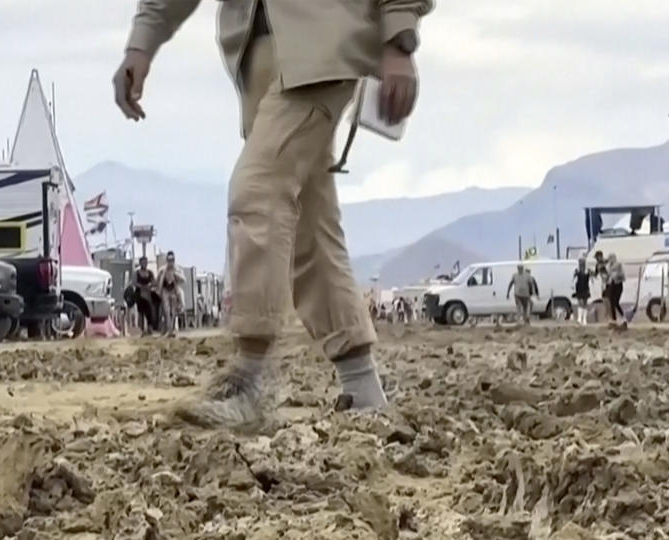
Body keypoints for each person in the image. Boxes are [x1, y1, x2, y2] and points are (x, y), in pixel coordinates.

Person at [116, 0, 433, 425]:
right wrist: (142, 43)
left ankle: (250, 380)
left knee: (257, 190)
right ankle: (364, 391)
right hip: (257, 60)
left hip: (325, 46)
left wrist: (400, 39)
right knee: (309, 225)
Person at [158, 251, 187, 336]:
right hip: (165, 290)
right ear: (167, 259)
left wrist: (176, 275)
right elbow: (158, 280)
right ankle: (168, 329)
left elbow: (184, 280)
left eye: (172, 260)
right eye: (169, 259)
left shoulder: (178, 269)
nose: (171, 261)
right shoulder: (162, 270)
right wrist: (159, 290)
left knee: (174, 311)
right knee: (166, 311)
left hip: (174, 290)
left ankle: (173, 329)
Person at [133, 257, 158, 334]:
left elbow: (155, 282)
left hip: (148, 294)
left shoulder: (150, 273)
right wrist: (142, 286)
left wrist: (150, 285)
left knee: (150, 311)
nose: (144, 264)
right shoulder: (137, 273)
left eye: (146, 262)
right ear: (140, 263)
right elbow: (134, 282)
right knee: (141, 312)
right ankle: (142, 330)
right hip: (139, 293)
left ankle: (150, 328)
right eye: (143, 262)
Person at [605, 254, 625, 323]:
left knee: (616, 302)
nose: (610, 260)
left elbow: (623, 275)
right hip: (611, 285)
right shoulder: (608, 267)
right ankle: (614, 319)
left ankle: (622, 316)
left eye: (611, 258)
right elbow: (607, 276)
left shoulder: (619, 265)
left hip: (618, 285)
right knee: (611, 302)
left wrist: (616, 275)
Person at [573, 257, 592, 325]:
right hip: (579, 289)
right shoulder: (577, 271)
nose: (581, 264)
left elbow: (591, 278)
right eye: (580, 263)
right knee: (580, 303)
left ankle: (584, 319)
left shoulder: (587, 271)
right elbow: (574, 279)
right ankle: (579, 318)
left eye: (582, 263)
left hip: (585, 288)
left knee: (585, 304)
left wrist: (590, 273)